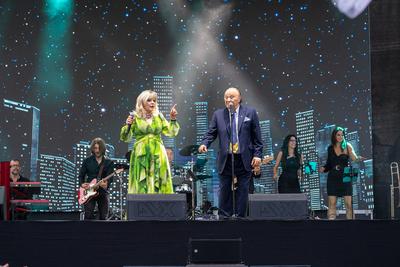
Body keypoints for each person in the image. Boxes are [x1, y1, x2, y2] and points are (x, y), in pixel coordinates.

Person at [198, 87, 263, 217]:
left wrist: (257, 155)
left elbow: (257, 137)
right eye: (226, 97)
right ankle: (224, 218)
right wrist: (204, 143)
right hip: (226, 159)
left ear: (239, 98)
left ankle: (241, 218)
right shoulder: (218, 114)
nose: (229, 99)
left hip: (244, 158)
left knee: (243, 190)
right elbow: (211, 133)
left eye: (232, 97)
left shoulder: (250, 112)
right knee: (225, 190)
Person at [120, 90, 179, 194]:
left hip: (158, 153)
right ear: (142, 102)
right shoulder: (135, 117)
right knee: (141, 183)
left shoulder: (159, 116)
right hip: (141, 154)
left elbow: (171, 132)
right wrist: (128, 125)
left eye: (154, 100)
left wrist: (173, 119)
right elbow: (126, 138)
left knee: (159, 179)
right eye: (149, 100)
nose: (152, 102)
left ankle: (161, 207)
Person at [319, 127, 363, 220]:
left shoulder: (348, 146)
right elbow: (329, 164)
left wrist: (359, 158)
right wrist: (324, 168)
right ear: (334, 136)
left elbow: (354, 158)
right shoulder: (330, 148)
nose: (340, 136)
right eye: (338, 135)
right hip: (333, 176)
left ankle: (351, 227)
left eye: (342, 135)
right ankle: (331, 227)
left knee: (348, 204)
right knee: (332, 204)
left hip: (346, 175)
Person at [78, 138, 114, 220]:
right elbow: (81, 176)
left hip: (102, 191)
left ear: (103, 149)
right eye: (95, 148)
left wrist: (106, 184)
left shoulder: (109, 162)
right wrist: (82, 184)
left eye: (99, 148)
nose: (97, 151)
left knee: (104, 216)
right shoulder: (87, 161)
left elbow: (110, 178)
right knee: (88, 215)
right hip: (89, 191)